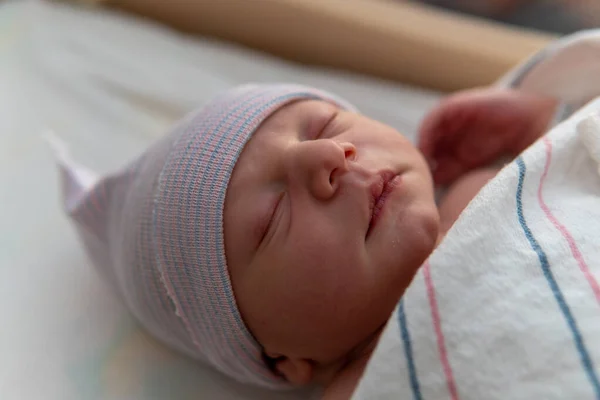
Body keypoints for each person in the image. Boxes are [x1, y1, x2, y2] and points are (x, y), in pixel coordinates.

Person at [58, 81, 559, 398]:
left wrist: (548, 113)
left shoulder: (494, 182)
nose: (327, 156)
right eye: (274, 215)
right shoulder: (364, 384)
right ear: (286, 360)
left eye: (323, 124)